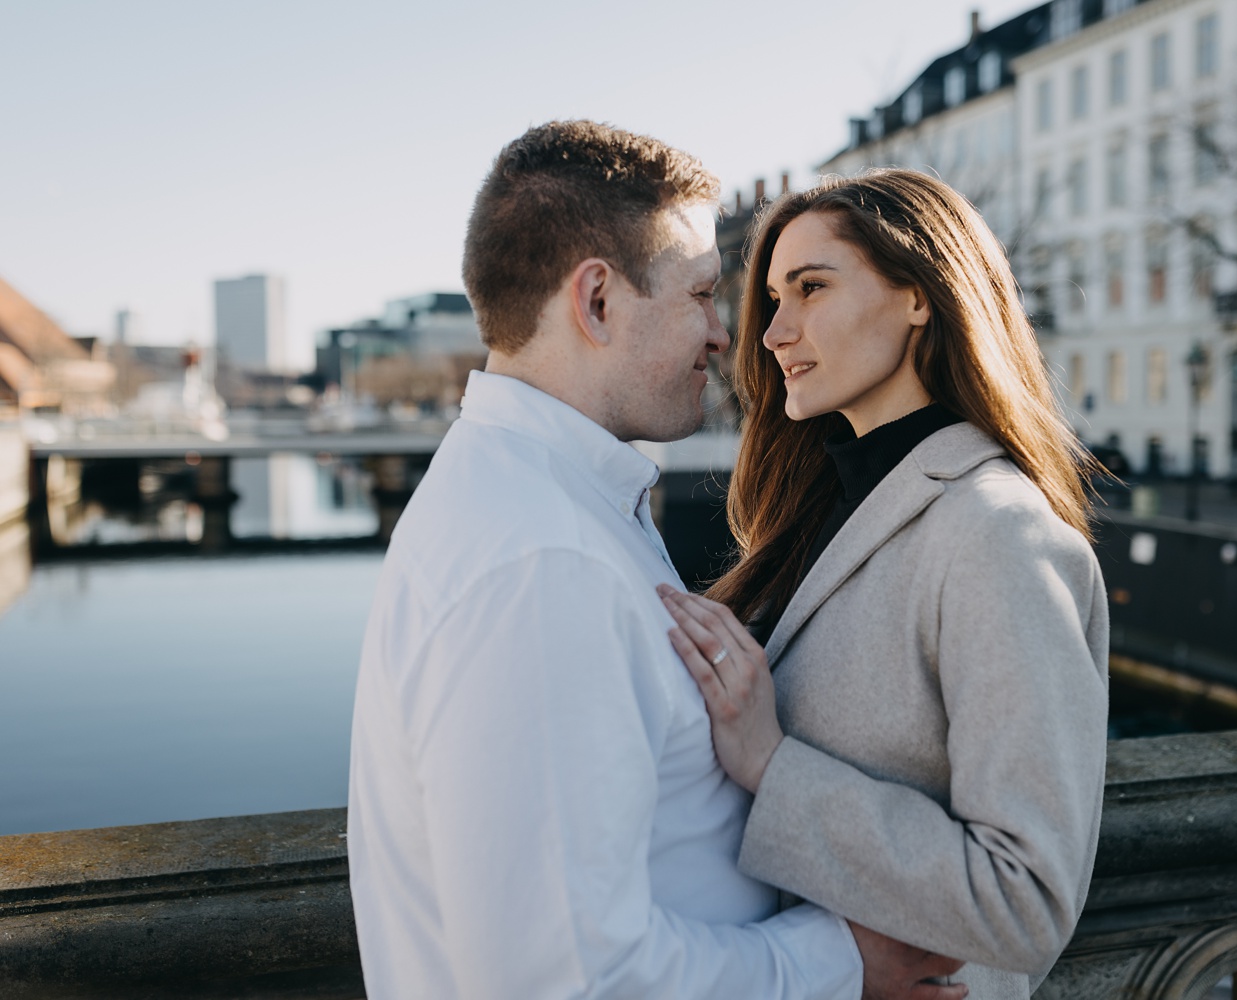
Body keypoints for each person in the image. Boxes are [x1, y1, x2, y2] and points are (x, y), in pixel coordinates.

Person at [346, 123, 971, 1000]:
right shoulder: (542, 563)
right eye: (704, 295)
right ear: (597, 300)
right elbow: (562, 979)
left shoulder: (546, 506)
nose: (729, 336)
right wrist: (839, 964)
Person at [658, 169, 1110, 1000]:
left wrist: (772, 763)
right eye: (772, 300)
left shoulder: (994, 533)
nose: (774, 332)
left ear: (919, 297)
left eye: (811, 289)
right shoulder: (819, 512)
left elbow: (1026, 901)